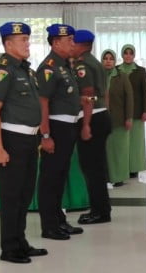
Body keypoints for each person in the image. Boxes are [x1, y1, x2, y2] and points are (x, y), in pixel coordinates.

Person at [0, 21, 47, 264]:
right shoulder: (3, 72)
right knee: (11, 196)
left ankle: (20, 242)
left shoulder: (27, 71)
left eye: (28, 40)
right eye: (23, 40)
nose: (27, 44)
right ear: (8, 44)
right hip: (11, 139)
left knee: (24, 194)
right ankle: (9, 248)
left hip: (29, 140)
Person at [36, 24, 84, 240]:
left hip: (68, 126)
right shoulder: (48, 67)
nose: (73, 44)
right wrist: (45, 135)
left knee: (60, 175)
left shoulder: (64, 66)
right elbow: (42, 102)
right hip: (55, 127)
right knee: (50, 178)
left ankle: (59, 219)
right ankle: (49, 226)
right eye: (69, 41)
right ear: (56, 43)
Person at [73, 30, 113, 224]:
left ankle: (99, 212)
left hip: (93, 118)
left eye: (73, 43)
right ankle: (101, 208)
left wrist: (86, 125)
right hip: (101, 115)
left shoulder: (82, 64)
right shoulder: (94, 62)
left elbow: (88, 95)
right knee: (96, 167)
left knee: (92, 168)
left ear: (81, 45)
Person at [101, 49, 133, 187]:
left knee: (119, 150)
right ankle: (105, 177)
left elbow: (129, 98)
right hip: (101, 119)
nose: (108, 61)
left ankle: (118, 178)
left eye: (111, 59)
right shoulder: (98, 76)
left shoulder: (122, 76)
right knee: (105, 150)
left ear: (114, 61)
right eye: (105, 58)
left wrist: (129, 118)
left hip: (119, 119)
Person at [117, 44, 146, 179]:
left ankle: (134, 168)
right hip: (120, 112)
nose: (128, 55)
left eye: (131, 53)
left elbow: (145, 92)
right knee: (122, 142)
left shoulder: (141, 71)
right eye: (126, 53)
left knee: (136, 143)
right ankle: (122, 168)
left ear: (134, 55)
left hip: (137, 112)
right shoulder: (116, 70)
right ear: (122, 55)